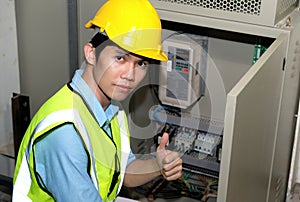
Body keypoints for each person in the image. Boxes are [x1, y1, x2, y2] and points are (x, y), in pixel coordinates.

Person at [12, 0, 183, 201]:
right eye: (120, 58)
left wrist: (158, 165)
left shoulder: (111, 109)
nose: (130, 75)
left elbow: (121, 172)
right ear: (91, 53)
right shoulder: (65, 131)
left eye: (141, 63)